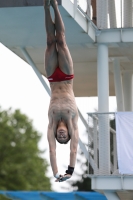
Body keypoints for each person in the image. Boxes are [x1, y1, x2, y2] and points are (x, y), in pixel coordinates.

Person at [44, 0, 79, 182]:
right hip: (66, 77)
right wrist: (69, 172)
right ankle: (56, 6)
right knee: (61, 41)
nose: (62, 137)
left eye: (60, 138)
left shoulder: (51, 124)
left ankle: (45, 7)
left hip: (51, 77)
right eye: (65, 138)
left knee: (50, 42)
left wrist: (56, 173)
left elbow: (51, 150)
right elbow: (73, 150)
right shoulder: (72, 123)